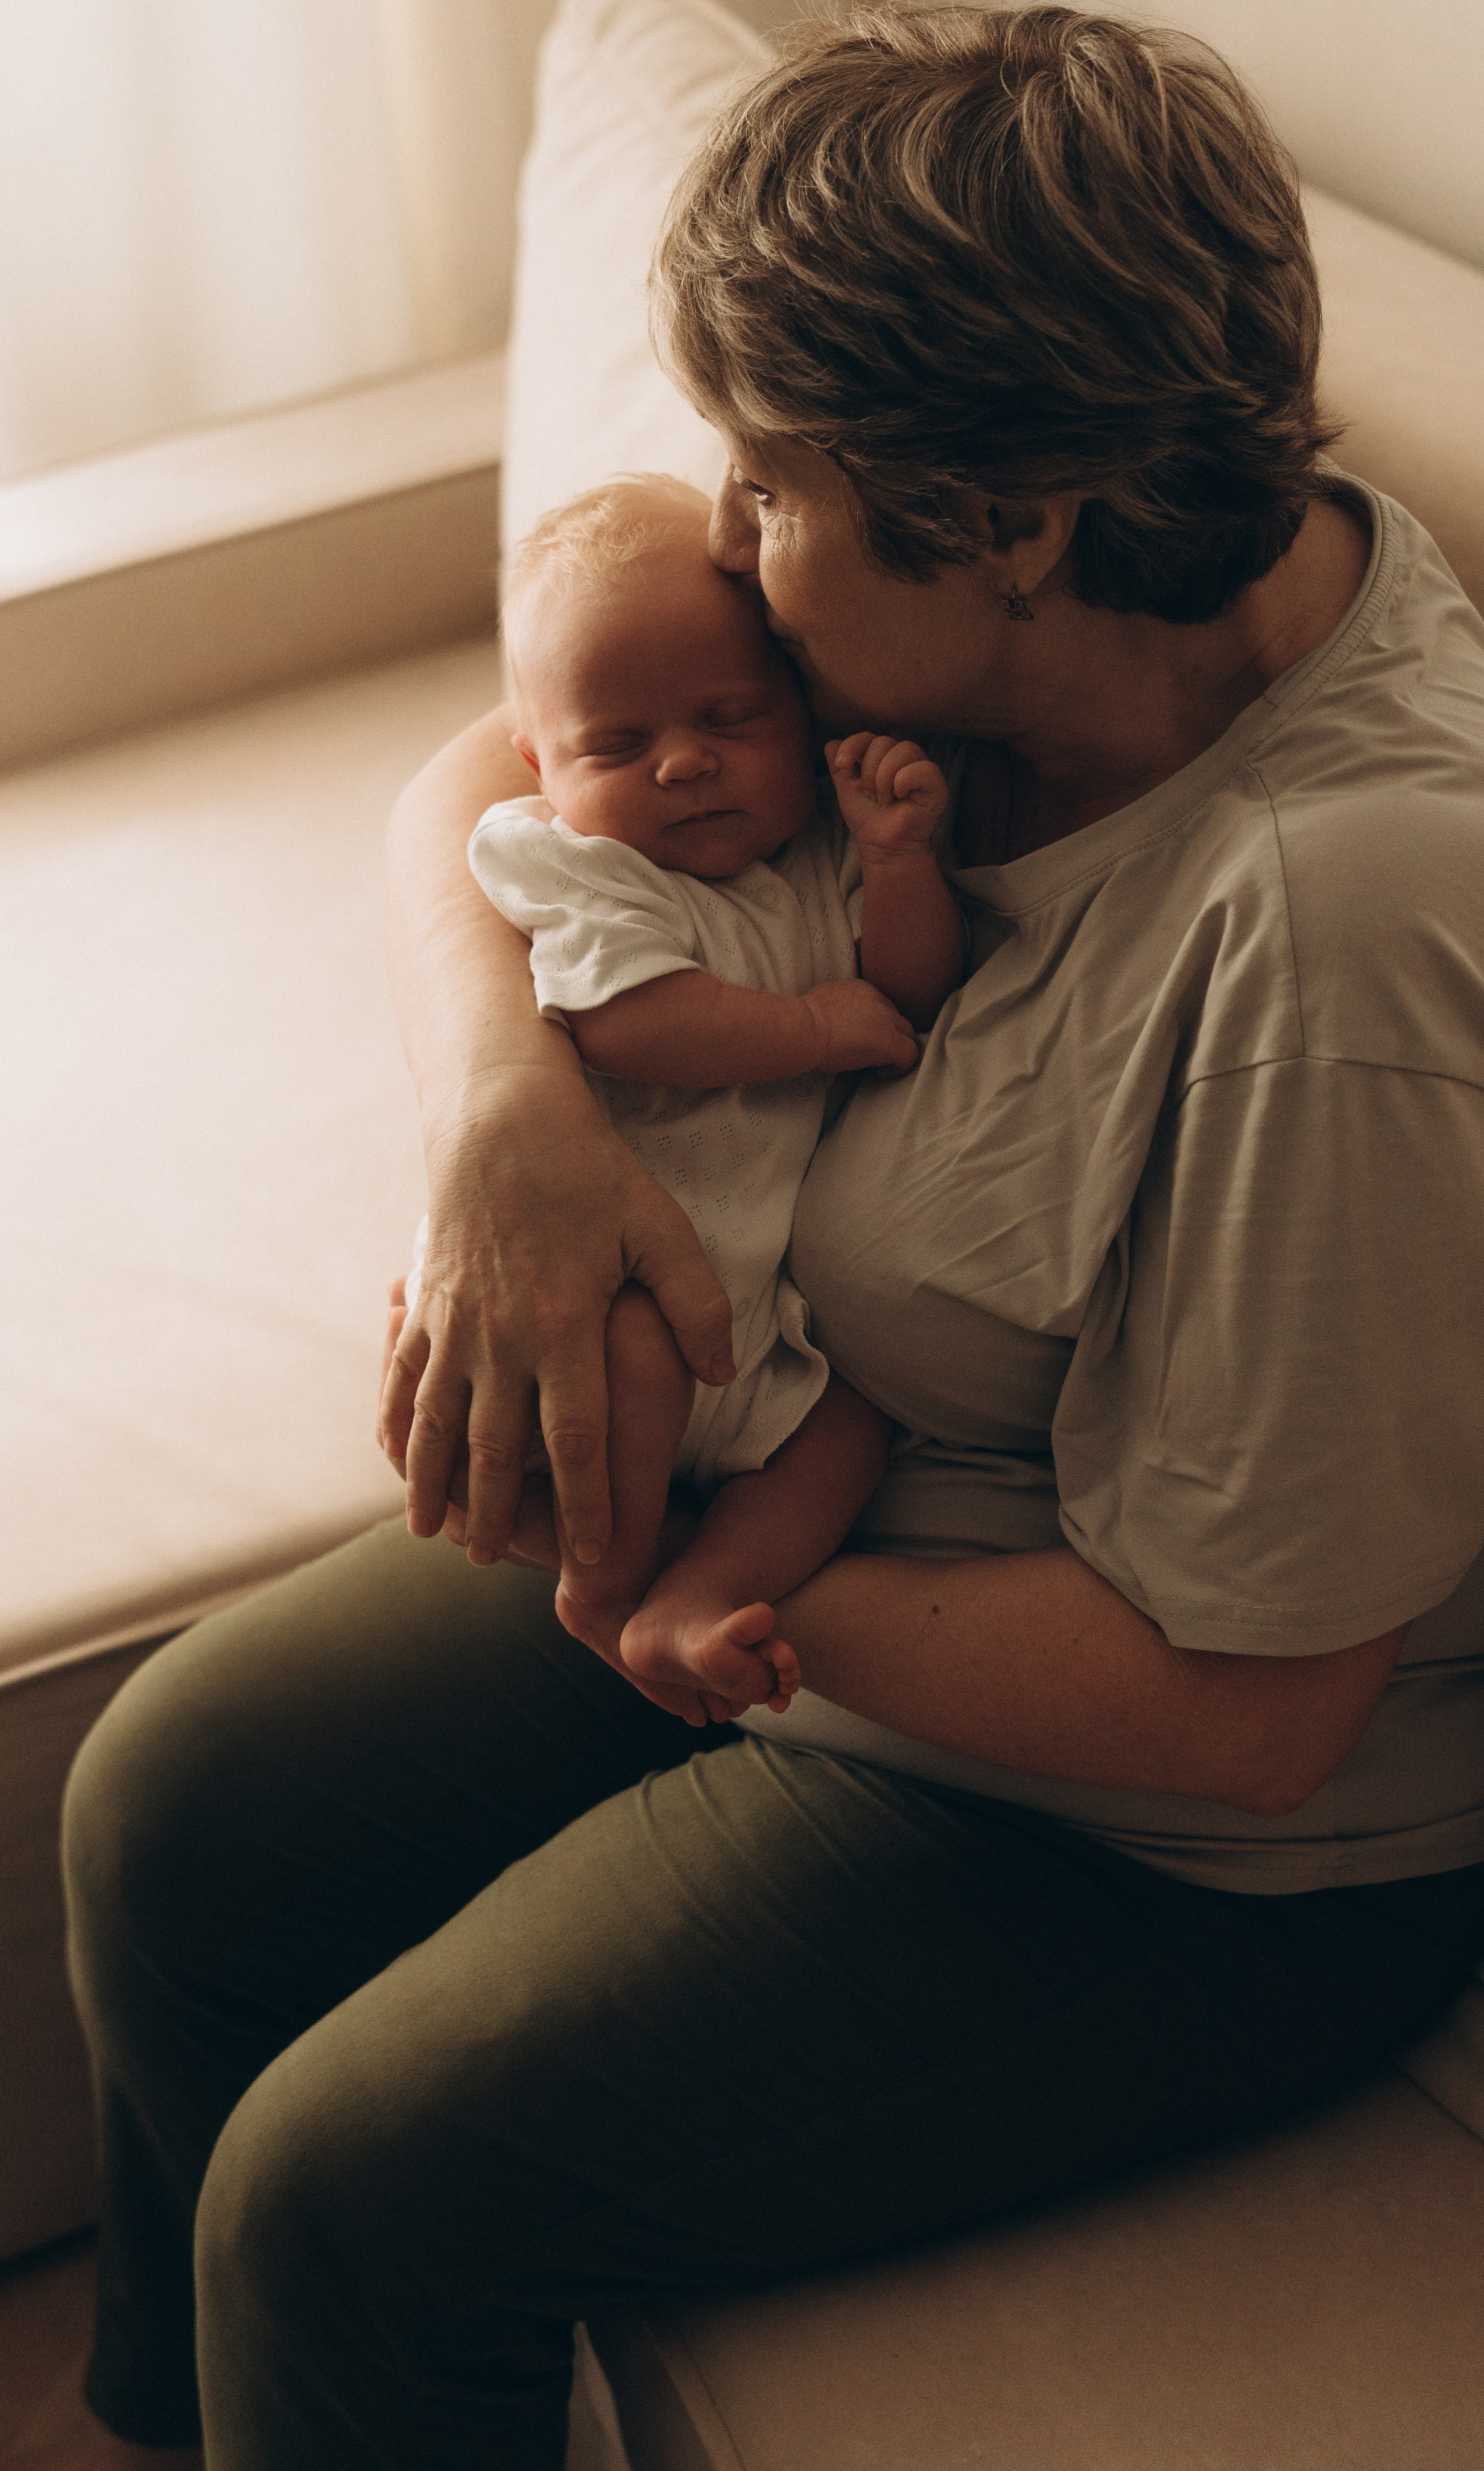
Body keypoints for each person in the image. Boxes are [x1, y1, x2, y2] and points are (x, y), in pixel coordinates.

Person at [53, 9, 1484, 2470]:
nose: (721, 529)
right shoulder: (1014, 638)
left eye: (771, 475)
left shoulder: (1341, 931)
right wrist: (509, 1110)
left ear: (1012, 511)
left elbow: (1242, 1716)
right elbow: (488, 771)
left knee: (350, 2200)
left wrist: (661, 1606)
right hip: (820, 1460)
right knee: (173, 1800)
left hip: (1152, 1839)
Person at [408, 469, 961, 1714]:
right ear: (535, 759)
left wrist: (897, 862)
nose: (683, 765)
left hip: (765, 1325)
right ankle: (606, 1588)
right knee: (640, 1370)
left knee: (849, 1436)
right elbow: (628, 1021)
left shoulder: (815, 854)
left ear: (801, 706)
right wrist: (809, 1025)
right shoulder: (578, 865)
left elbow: (903, 991)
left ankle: (700, 1592)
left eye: (731, 716)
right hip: (616, 1292)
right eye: (618, 745)